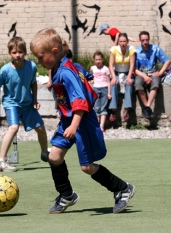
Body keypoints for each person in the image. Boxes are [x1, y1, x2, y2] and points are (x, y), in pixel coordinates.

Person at [30, 28, 136, 214]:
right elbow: (86, 76)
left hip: (81, 121)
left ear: (54, 52)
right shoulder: (60, 68)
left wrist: (74, 124)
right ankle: (67, 194)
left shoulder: (66, 72)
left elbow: (80, 102)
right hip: (68, 120)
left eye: (40, 57)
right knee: (54, 157)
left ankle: (122, 188)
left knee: (87, 166)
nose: (39, 61)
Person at [0, 36, 49, 172]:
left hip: (27, 104)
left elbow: (33, 83)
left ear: (25, 52)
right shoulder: (5, 70)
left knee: (40, 128)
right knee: (14, 127)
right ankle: (1, 161)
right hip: (11, 104)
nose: (17, 55)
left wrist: (35, 100)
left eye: (20, 52)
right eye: (14, 52)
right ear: (9, 53)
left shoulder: (31, 66)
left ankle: (45, 153)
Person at [134, 31, 171, 119]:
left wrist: (161, 72)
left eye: (146, 40)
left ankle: (147, 107)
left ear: (149, 40)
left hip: (153, 72)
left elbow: (167, 61)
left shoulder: (155, 49)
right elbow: (134, 69)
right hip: (142, 74)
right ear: (140, 40)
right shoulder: (136, 51)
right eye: (143, 40)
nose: (145, 42)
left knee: (155, 83)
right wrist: (145, 76)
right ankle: (148, 109)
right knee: (138, 83)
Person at [109, 33, 136, 122]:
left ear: (127, 42)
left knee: (129, 84)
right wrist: (113, 77)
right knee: (113, 84)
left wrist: (129, 77)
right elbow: (110, 64)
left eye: (124, 41)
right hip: (116, 72)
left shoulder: (131, 49)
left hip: (127, 72)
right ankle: (112, 110)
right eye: (120, 41)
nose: (122, 43)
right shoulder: (114, 50)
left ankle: (126, 109)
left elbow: (132, 64)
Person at [89, 51, 113, 131]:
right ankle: (96, 125)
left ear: (102, 59)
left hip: (104, 89)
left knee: (103, 108)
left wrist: (109, 93)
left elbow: (108, 81)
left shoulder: (106, 69)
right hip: (95, 89)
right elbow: (91, 79)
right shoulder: (93, 68)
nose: (98, 61)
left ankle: (101, 125)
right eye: (96, 59)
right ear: (94, 60)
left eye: (100, 59)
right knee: (96, 108)